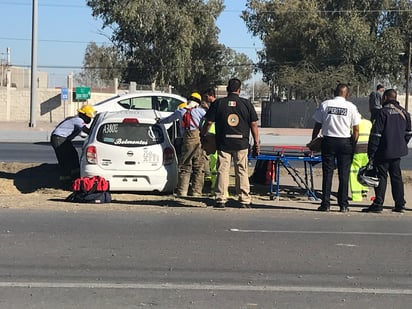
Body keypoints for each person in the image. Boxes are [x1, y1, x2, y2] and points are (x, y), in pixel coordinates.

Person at [201, 78, 260, 208]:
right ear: (239, 90)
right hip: (242, 143)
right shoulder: (246, 104)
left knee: (223, 170)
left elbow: (208, 122)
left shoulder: (218, 103)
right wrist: (256, 143)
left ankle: (221, 198)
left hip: (224, 142)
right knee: (242, 171)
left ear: (228, 89)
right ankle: (244, 199)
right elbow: (254, 124)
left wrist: (203, 134)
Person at [311, 83, 361, 212]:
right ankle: (343, 204)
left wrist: (313, 140)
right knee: (344, 174)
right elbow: (356, 129)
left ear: (334, 92)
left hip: (329, 141)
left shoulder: (325, 104)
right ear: (347, 94)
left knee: (327, 173)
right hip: (345, 142)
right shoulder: (351, 107)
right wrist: (353, 144)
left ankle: (325, 204)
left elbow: (317, 125)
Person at [362, 89, 412, 213]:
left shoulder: (382, 113)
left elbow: (376, 134)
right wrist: (401, 144)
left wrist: (371, 152)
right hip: (397, 152)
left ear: (385, 98)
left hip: (382, 151)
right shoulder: (404, 113)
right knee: (396, 177)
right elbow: (408, 133)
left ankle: (378, 203)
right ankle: (400, 204)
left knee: (381, 177)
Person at [159, 92, 206, 197]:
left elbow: (167, 120)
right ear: (197, 103)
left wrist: (158, 121)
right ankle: (196, 192)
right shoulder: (201, 111)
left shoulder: (180, 111)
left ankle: (182, 191)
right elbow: (209, 120)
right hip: (198, 139)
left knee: (185, 166)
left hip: (186, 139)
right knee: (198, 166)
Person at [51, 104, 96, 183]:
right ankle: (65, 179)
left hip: (64, 139)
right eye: (89, 117)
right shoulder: (78, 120)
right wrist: (96, 132)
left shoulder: (77, 120)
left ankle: (75, 175)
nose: (89, 119)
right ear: (83, 115)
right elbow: (86, 130)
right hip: (58, 138)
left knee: (73, 155)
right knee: (64, 158)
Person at [349, 113, 372, 202]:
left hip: (357, 150)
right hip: (367, 150)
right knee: (364, 170)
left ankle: (357, 196)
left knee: (354, 171)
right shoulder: (368, 123)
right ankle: (364, 189)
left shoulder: (354, 124)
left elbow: (352, 135)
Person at [201, 88, 218, 194]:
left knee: (215, 163)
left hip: (213, 136)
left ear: (210, 95)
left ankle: (216, 187)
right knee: (212, 164)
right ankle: (213, 185)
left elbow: (209, 122)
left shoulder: (216, 105)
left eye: (206, 97)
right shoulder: (212, 106)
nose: (205, 99)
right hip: (210, 136)